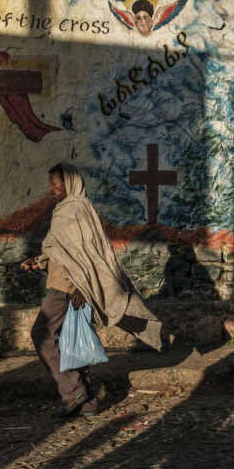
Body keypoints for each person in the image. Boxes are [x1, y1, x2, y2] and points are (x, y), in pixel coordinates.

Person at [21, 163, 162, 418]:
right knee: (72, 341)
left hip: (69, 286)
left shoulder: (76, 209)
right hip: (64, 282)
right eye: (51, 182)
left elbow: (90, 254)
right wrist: (38, 261)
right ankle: (87, 403)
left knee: (41, 333)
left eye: (56, 182)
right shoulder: (65, 210)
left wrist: (83, 288)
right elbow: (62, 251)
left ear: (71, 182)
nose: (51, 187)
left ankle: (73, 391)